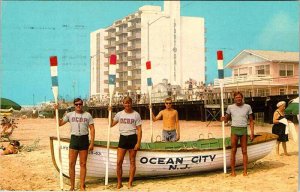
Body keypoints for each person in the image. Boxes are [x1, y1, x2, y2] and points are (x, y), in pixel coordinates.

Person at [55, 98, 95, 191]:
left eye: (80, 104)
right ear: (74, 105)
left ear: (82, 104)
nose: (78, 106)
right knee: (71, 164)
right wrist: (56, 111)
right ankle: (72, 186)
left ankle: (82, 186)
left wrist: (92, 143)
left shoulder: (88, 115)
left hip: (84, 139)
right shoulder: (69, 115)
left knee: (83, 164)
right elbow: (60, 123)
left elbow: (92, 129)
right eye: (76, 104)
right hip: (74, 139)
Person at [109, 96, 142, 189]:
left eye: (129, 103)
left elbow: (139, 130)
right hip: (123, 138)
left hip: (132, 138)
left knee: (132, 162)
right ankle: (119, 183)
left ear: (131, 103)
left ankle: (130, 182)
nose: (127, 104)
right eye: (125, 103)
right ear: (123, 104)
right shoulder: (119, 114)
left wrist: (138, 143)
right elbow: (111, 124)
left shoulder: (136, 114)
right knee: (119, 162)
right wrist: (110, 113)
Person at [221, 91, 254, 176]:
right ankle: (233, 172)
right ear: (234, 99)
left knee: (244, 151)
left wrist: (252, 133)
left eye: (240, 97)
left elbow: (251, 121)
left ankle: (245, 171)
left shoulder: (248, 107)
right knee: (233, 150)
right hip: (234, 130)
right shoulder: (230, 107)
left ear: (242, 98)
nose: (238, 99)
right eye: (236, 98)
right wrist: (223, 119)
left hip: (243, 130)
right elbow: (226, 119)